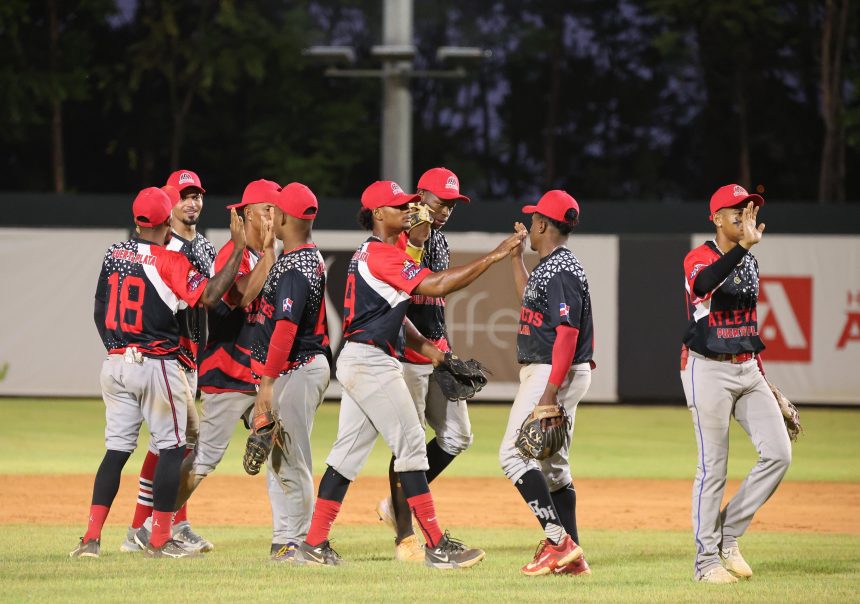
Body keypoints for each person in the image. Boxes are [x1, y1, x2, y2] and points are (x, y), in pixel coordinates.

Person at [295, 180, 525, 569]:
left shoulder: (372, 253)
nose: (408, 211)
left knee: (346, 456)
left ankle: (314, 543)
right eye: (400, 207)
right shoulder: (382, 255)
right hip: (371, 363)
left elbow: (397, 321)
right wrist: (495, 256)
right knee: (412, 446)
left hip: (362, 357)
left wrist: (433, 351)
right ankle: (436, 546)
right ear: (378, 214)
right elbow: (435, 284)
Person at [70, 187, 245, 559]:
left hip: (115, 363)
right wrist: (240, 249)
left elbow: (100, 308)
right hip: (156, 363)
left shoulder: (114, 253)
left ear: (136, 221)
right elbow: (210, 296)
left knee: (116, 452)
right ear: (168, 222)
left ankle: (90, 539)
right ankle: (160, 537)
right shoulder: (170, 261)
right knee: (173, 448)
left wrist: (117, 347)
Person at [680, 184, 791, 584]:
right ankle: (706, 562)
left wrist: (770, 386)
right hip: (706, 370)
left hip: (747, 369)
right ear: (716, 218)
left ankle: (727, 534)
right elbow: (702, 285)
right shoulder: (699, 256)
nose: (745, 217)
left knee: (779, 453)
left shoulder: (749, 262)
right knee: (714, 468)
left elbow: (747, 326)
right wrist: (744, 248)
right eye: (737, 211)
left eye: (749, 210)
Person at [170, 180, 282, 542]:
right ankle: (158, 524)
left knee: (285, 445)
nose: (273, 216)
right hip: (228, 372)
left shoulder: (267, 254)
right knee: (203, 461)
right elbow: (239, 298)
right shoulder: (230, 255)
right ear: (248, 213)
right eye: (267, 209)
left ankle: (289, 535)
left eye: (276, 210)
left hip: (257, 374)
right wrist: (268, 255)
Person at [375, 167, 475, 562]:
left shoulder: (438, 237)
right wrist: (414, 242)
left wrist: (446, 349)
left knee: (457, 436)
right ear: (418, 197)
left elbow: (437, 301)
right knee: (409, 445)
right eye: (439, 201)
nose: (445, 209)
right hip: (406, 355)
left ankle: (394, 503)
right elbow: (398, 293)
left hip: (436, 350)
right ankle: (405, 531)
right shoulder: (398, 236)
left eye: (451, 203)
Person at [499, 190, 594, 577]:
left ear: (542, 224)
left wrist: (551, 392)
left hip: (553, 371)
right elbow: (529, 299)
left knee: (512, 455)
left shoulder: (562, 270)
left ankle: (558, 541)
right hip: (555, 370)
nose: (531, 225)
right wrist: (516, 258)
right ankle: (573, 558)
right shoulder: (550, 266)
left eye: (534, 220)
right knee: (554, 468)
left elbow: (568, 334)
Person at [121, 170, 217, 554]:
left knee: (176, 442)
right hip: (169, 354)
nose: (192, 202)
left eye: (197, 195)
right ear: (168, 203)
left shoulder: (206, 246)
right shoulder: (164, 248)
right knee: (170, 443)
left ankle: (171, 523)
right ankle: (146, 526)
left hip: (194, 353)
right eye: (184, 196)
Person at [248, 182, 331, 562]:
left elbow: (285, 328)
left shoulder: (297, 266)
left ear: (282, 217)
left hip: (295, 368)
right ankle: (285, 539)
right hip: (294, 369)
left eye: (274, 211)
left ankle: (303, 541)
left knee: (292, 457)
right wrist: (269, 251)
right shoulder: (301, 256)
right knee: (280, 456)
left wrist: (266, 385)